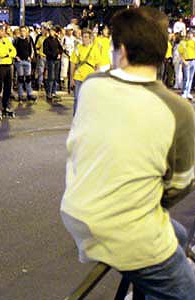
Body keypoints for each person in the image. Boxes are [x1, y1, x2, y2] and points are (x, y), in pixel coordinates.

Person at [61, 7, 195, 300]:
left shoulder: (94, 86)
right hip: (127, 231)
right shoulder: (179, 110)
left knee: (180, 236)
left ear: (120, 51)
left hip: (77, 210)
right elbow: (181, 186)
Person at [70, 28, 100, 115]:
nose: (84, 39)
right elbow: (72, 64)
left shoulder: (95, 49)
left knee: (88, 100)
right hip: (78, 77)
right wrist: (71, 79)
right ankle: (76, 119)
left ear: (90, 38)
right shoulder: (77, 49)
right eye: (83, 37)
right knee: (77, 99)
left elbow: (97, 66)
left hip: (90, 79)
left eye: (86, 37)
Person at [0, 25, 17, 119]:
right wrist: (8, 52)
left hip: (8, 66)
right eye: (1, 31)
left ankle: (5, 107)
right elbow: (1, 54)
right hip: (0, 67)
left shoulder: (6, 40)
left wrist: (8, 53)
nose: (4, 32)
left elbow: (14, 51)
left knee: (8, 88)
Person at [13, 26, 36, 102]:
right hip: (19, 61)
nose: (23, 32)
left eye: (24, 31)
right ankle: (21, 94)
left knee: (28, 78)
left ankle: (29, 93)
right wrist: (16, 57)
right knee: (21, 78)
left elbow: (32, 49)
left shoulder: (29, 39)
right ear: (20, 31)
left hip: (27, 61)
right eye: (22, 31)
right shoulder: (16, 40)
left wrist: (30, 57)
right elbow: (12, 49)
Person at [43, 26, 63, 102]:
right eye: (51, 31)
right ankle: (49, 93)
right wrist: (54, 55)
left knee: (56, 77)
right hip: (51, 60)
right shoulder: (46, 40)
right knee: (51, 77)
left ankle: (54, 92)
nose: (52, 33)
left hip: (57, 61)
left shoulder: (56, 40)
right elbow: (45, 51)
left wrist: (59, 54)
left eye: (53, 31)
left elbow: (61, 49)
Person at [178, 30, 195, 100]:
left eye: (192, 34)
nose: (190, 35)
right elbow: (180, 53)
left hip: (193, 61)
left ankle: (188, 93)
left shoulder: (193, 42)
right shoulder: (182, 42)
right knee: (186, 78)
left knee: (190, 78)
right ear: (187, 34)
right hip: (186, 61)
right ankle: (184, 92)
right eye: (189, 34)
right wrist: (184, 61)